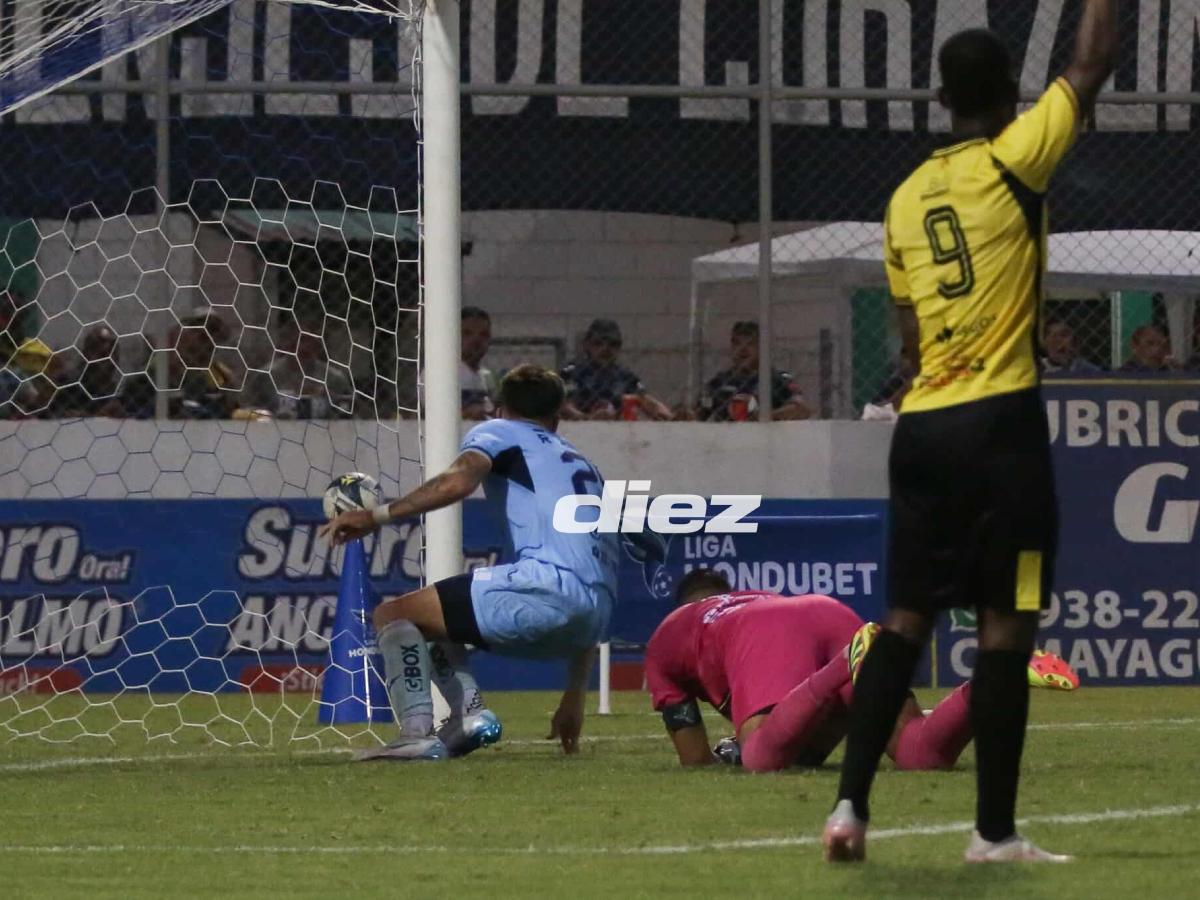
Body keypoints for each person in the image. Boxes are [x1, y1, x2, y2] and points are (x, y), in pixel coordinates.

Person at [824, 5, 1116, 865]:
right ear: (1012, 93)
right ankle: (992, 833)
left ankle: (849, 809)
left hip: (922, 429)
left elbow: (911, 339)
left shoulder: (905, 199)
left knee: (904, 620)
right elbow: (1092, 63)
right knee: (1004, 628)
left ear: (941, 98)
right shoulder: (1016, 157)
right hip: (1000, 428)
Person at [320, 364, 621, 760]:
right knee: (432, 621)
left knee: (392, 615)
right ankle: (468, 718)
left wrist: (375, 516)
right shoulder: (586, 468)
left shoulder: (501, 432)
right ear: (557, 417)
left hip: (545, 589)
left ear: (500, 408)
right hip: (592, 620)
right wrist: (575, 695)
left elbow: (458, 480)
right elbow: (596, 575)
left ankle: (418, 733)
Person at [645, 570, 975, 774]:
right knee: (918, 751)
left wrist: (731, 755)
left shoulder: (668, 636)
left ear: (684, 605)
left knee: (760, 758)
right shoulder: (756, 599)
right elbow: (809, 740)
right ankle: (994, 678)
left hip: (768, 631)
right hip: (825, 612)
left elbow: (696, 760)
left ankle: (844, 662)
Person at [559, 318, 672, 420]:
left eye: (613, 344)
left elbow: (646, 400)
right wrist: (587, 418)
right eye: (598, 343)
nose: (605, 349)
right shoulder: (572, 372)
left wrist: (669, 416)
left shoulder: (625, 376)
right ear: (587, 345)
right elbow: (563, 405)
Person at [700, 321, 812, 421]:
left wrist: (765, 417)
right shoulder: (719, 382)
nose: (743, 349)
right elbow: (698, 412)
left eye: (749, 343)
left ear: (761, 348)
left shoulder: (779, 379)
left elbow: (801, 410)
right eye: (737, 343)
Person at [460, 306, 498, 420]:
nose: (476, 340)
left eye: (483, 335)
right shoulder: (438, 373)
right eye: (467, 333)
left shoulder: (487, 376)